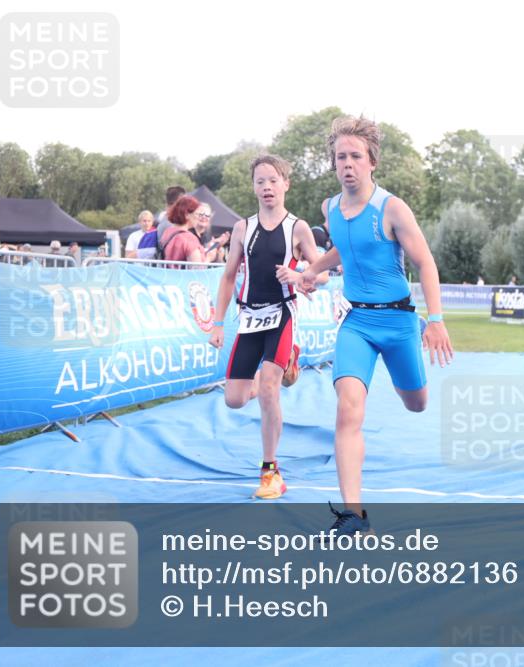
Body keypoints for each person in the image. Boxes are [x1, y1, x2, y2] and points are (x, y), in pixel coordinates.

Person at [283, 115, 453, 535]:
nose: (348, 164)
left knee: (417, 403)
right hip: (356, 322)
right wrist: (311, 271)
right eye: (341, 157)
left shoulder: (392, 208)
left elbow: (425, 262)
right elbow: (345, 247)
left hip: (398, 322)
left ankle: (409, 362)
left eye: (356, 156)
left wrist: (435, 320)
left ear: (372, 161)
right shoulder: (330, 208)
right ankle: (353, 514)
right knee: (347, 410)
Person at [209, 154, 322, 499]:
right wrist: (217, 323)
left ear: (286, 184)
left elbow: (321, 274)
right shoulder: (243, 228)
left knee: (270, 391)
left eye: (273, 180)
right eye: (260, 181)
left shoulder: (298, 228)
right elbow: (229, 276)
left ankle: (271, 471)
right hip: (249, 317)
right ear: (254, 187)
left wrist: (299, 275)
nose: (267, 187)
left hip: (281, 314)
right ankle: (284, 363)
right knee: (234, 400)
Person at [160, 196, 206, 264]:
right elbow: (197, 267)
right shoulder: (189, 238)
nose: (200, 218)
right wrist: (210, 257)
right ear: (187, 215)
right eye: (198, 214)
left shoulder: (167, 232)